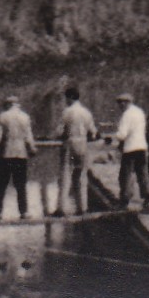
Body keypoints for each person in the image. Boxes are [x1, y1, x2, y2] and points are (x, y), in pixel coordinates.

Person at [0, 95, 37, 219]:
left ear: (7, 105)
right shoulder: (25, 117)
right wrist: (32, 149)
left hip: (6, 154)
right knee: (21, 184)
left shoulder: (3, 116)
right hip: (21, 154)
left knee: (1, 184)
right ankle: (24, 211)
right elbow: (28, 136)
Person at [57, 86, 97, 216]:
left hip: (70, 143)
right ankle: (82, 208)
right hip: (82, 144)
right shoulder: (86, 112)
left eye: (66, 98)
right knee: (81, 176)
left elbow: (59, 131)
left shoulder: (67, 112)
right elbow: (93, 131)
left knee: (65, 176)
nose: (65, 101)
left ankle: (61, 208)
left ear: (69, 98)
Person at [113, 91, 149, 208]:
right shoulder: (139, 112)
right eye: (119, 102)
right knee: (142, 173)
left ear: (127, 103)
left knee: (125, 175)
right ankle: (147, 197)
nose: (120, 105)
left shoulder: (126, 115)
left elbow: (122, 134)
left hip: (130, 148)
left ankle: (125, 200)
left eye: (121, 103)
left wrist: (114, 137)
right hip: (141, 146)